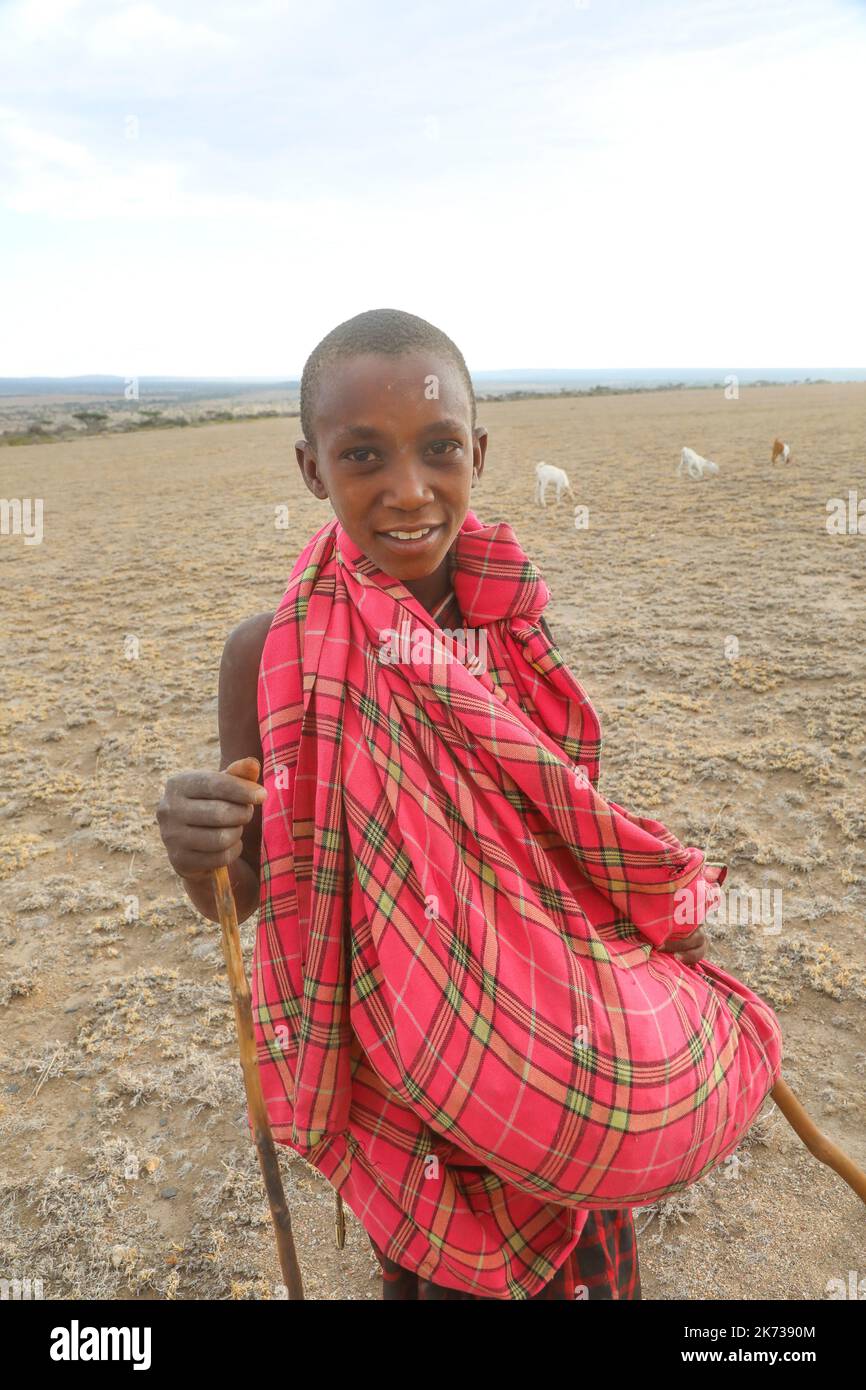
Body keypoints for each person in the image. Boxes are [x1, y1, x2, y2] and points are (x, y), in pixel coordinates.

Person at [157, 308, 781, 1300]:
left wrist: (655, 916)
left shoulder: (511, 626)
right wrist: (200, 858)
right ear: (312, 469)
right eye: (363, 455)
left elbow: (563, 835)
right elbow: (251, 890)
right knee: (430, 1277)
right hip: (398, 1064)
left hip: (547, 1046)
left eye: (438, 449)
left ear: (478, 454)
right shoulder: (268, 655)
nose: (407, 491)